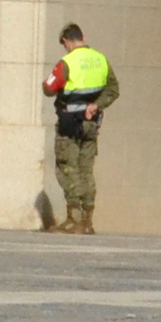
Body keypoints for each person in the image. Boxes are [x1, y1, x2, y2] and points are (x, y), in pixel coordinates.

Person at [44, 22, 116, 234]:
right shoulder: (101, 59)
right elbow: (113, 88)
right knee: (86, 169)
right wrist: (97, 105)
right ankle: (87, 220)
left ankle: (73, 218)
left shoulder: (67, 62)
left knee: (67, 167)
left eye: (64, 44)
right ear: (83, 36)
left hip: (70, 124)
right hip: (92, 123)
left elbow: (49, 88)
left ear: (66, 41)